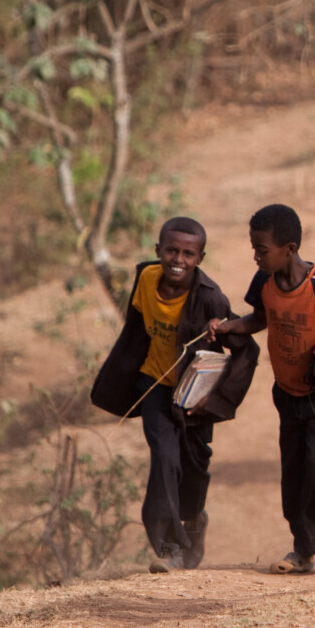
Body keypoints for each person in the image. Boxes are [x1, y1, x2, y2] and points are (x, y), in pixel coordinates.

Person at [208, 204, 315, 574]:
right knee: (294, 474)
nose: (256, 256)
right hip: (287, 392)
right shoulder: (264, 281)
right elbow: (258, 318)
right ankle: (305, 551)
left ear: (289, 248)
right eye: (253, 248)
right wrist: (227, 327)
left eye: (262, 249)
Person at [90, 217, 259, 573]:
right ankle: (171, 548)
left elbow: (248, 350)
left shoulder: (211, 300)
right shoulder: (146, 279)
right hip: (153, 385)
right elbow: (135, 329)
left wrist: (216, 402)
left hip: (194, 398)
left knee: (195, 466)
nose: (177, 259)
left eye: (187, 253)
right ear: (158, 251)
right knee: (164, 460)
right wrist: (120, 378)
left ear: (200, 257)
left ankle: (194, 520)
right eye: (171, 250)